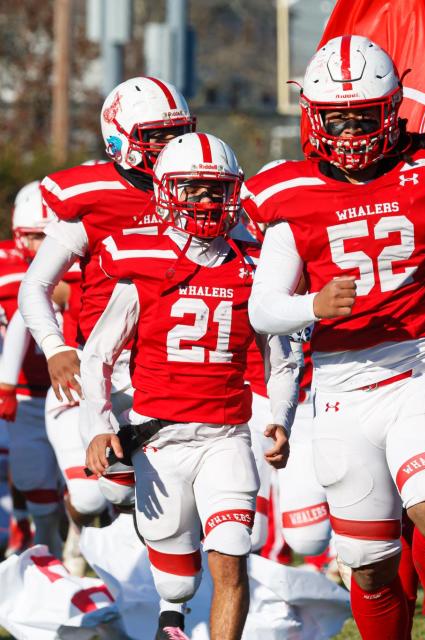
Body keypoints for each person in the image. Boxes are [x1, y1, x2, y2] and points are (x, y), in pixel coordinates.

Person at [245, 35, 425, 640]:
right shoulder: (289, 193)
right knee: (369, 565)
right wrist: (312, 304)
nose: (348, 130)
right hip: (340, 389)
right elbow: (263, 309)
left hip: (421, 366)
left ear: (391, 110)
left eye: (362, 116)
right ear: (313, 117)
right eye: (336, 118)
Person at [81, 132, 298, 640]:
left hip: (225, 435)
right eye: (194, 189)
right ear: (164, 191)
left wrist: (279, 419)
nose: (206, 201)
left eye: (216, 190)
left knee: (231, 558)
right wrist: (99, 426)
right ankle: (170, 617)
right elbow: (98, 354)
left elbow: (282, 357)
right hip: (158, 438)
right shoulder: (142, 258)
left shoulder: (256, 264)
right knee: (177, 583)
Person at [21, 77, 197, 510]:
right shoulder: (94, 198)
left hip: (176, 360)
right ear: (122, 139)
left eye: (180, 134)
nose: (174, 146)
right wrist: (54, 346)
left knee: (173, 499)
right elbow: (36, 285)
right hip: (108, 368)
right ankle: (80, 548)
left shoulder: (202, 189)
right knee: (102, 494)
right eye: (159, 136)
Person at [0, 181, 66, 557]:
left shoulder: (83, 265)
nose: (42, 246)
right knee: (32, 480)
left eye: (48, 235)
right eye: (34, 236)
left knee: (85, 489)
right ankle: (42, 547)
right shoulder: (7, 270)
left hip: (72, 392)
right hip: (25, 396)